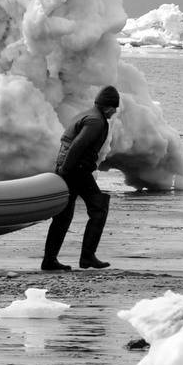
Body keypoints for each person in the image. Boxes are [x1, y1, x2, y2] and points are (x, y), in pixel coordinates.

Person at [41, 85, 119, 272]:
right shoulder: (96, 121)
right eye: (114, 107)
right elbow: (78, 145)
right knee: (99, 208)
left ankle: (49, 260)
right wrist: (66, 171)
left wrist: (63, 171)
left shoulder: (87, 115)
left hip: (69, 168)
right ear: (107, 106)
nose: (115, 111)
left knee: (63, 216)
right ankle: (87, 257)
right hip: (75, 170)